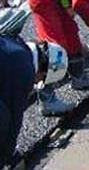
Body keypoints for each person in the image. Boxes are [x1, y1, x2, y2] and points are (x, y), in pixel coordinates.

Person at [0, 38, 68, 166]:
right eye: (41, 79)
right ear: (44, 71)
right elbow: (14, 121)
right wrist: (6, 158)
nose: (36, 82)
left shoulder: (15, 44)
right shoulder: (25, 72)